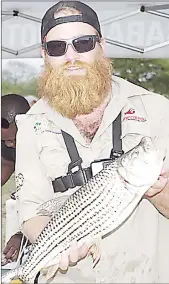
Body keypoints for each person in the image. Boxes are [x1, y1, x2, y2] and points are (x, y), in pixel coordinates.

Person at [15, 1, 169, 283]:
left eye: (83, 43)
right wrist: (58, 243)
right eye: (57, 48)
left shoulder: (157, 109)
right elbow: (30, 213)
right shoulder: (31, 124)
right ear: (44, 54)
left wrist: (158, 192)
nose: (71, 56)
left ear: (102, 46)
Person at [1, 94, 30, 264]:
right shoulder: (8, 145)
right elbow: (5, 166)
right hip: (22, 208)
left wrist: (23, 235)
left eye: (13, 140)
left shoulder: (50, 145)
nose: (9, 145)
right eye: (4, 142)